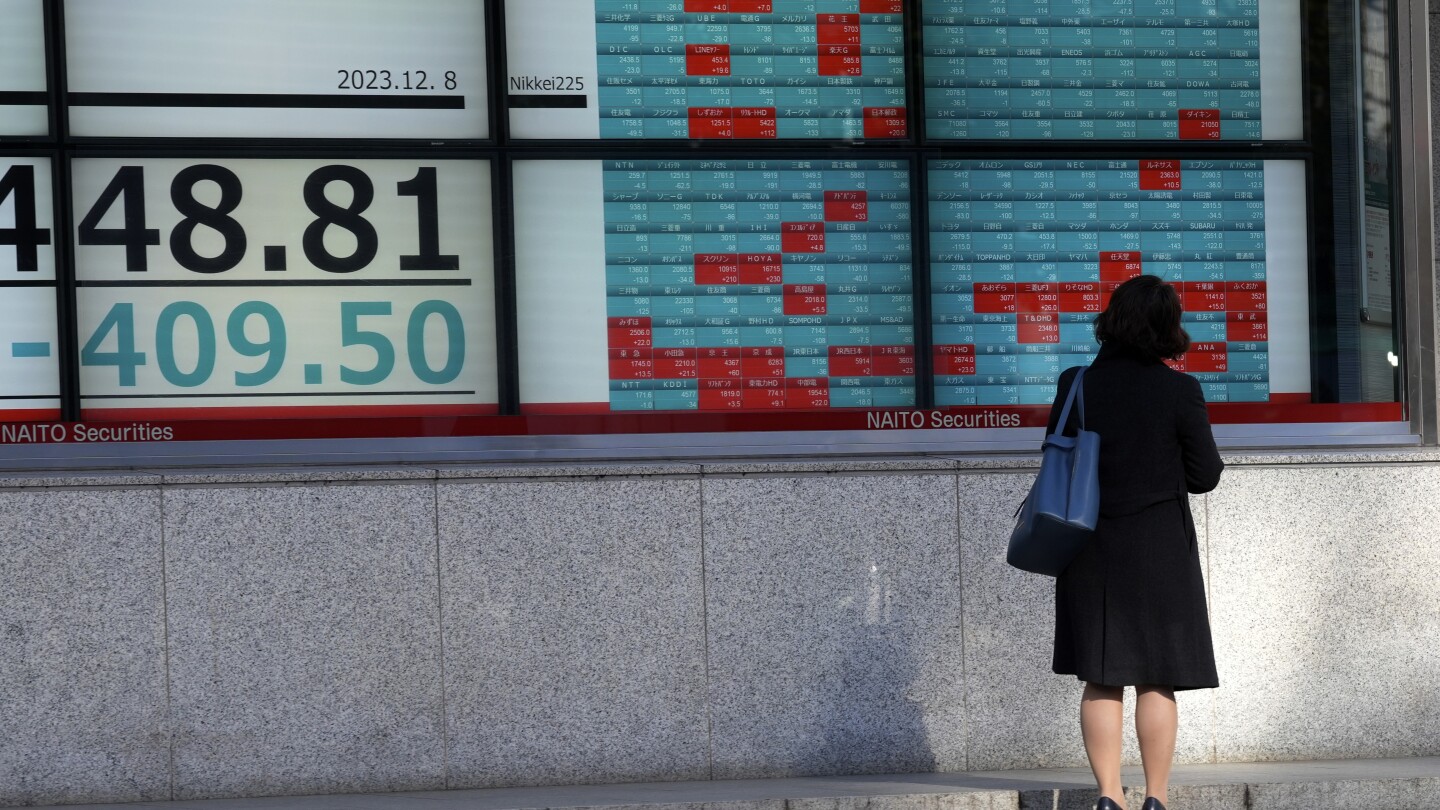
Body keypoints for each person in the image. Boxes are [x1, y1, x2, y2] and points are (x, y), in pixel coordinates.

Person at [1044, 274, 1224, 810]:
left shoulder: (1076, 384)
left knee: (1102, 678)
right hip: (1160, 547)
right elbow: (1205, 473)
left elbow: (1058, 456)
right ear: (1167, 327)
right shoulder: (1179, 390)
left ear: (1112, 322)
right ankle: (1156, 798)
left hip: (1089, 544)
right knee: (1156, 678)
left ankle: (1107, 797)